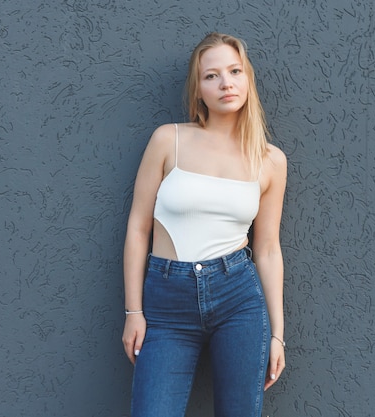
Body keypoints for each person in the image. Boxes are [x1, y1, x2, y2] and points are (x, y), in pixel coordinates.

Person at [121, 32, 287, 417]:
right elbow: (137, 228)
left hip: (239, 299)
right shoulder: (168, 140)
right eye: (211, 75)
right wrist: (134, 311)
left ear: (248, 80)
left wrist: (277, 334)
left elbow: (267, 248)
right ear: (198, 90)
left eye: (234, 71)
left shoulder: (270, 161)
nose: (226, 82)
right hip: (166, 302)